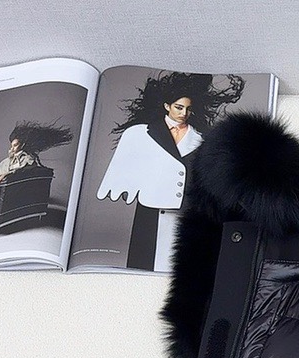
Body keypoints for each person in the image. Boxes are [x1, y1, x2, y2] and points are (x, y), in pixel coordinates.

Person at [96, 72, 244, 271]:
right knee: (146, 262)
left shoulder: (201, 138)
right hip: (152, 208)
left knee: (182, 263)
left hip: (186, 210)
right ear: (167, 106)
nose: (183, 113)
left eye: (188, 109)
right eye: (179, 107)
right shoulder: (142, 133)